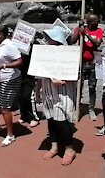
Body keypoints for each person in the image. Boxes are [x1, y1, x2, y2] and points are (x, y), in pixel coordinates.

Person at [40, 26, 77, 165]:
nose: (48, 40)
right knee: (51, 119)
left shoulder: (69, 54)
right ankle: (54, 146)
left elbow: (75, 74)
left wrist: (62, 80)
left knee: (61, 121)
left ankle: (69, 149)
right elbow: (40, 72)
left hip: (63, 92)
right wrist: (39, 89)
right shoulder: (45, 53)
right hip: (48, 92)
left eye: (50, 37)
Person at [0, 25, 23, 146]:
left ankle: (10, 135)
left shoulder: (9, 46)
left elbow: (19, 61)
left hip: (10, 79)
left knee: (5, 108)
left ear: (0, 34)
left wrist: (5, 66)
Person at [70, 14, 104, 121]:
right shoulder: (80, 29)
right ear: (90, 22)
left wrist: (87, 35)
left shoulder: (98, 31)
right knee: (78, 87)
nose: (97, 23)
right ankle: (77, 108)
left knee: (92, 87)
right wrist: (78, 32)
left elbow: (97, 44)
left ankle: (91, 109)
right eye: (95, 21)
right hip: (81, 63)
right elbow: (72, 41)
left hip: (92, 63)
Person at [17, 51, 40, 128]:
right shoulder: (15, 45)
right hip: (19, 74)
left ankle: (34, 118)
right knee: (20, 96)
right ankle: (24, 116)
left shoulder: (33, 46)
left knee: (28, 96)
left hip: (29, 74)